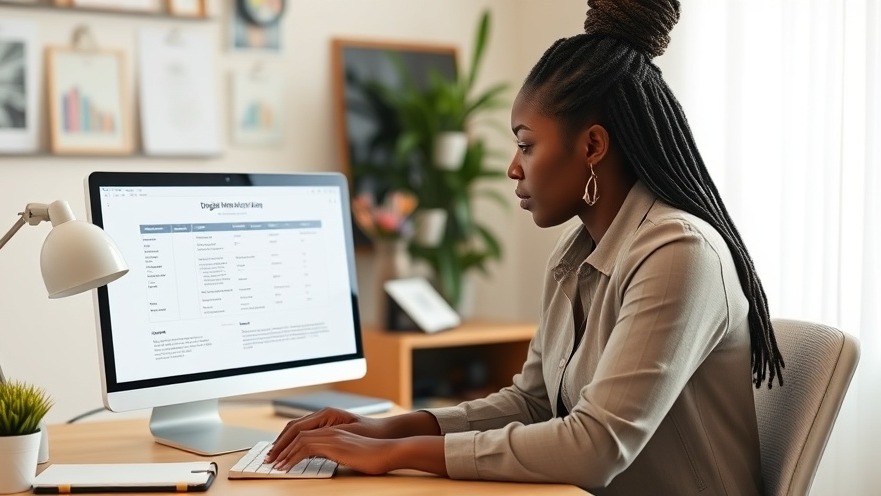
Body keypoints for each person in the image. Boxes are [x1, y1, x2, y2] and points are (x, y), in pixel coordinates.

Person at [265, 0, 785, 493]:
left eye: (526, 144)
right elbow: (533, 403)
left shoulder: (679, 253)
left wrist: (398, 453)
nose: (514, 168)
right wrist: (387, 429)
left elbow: (596, 447)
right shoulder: (574, 253)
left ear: (592, 146)